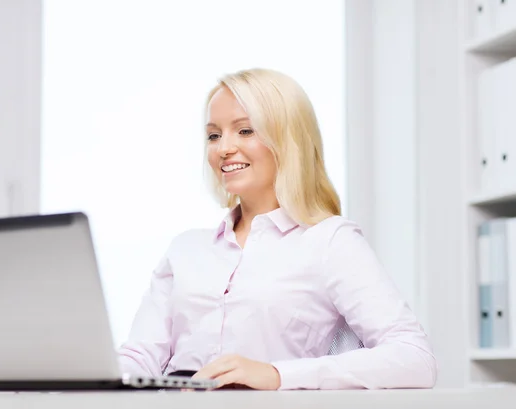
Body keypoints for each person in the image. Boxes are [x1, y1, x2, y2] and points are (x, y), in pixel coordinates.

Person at [117, 68, 437, 390]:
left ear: (287, 139)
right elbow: (141, 356)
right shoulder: (185, 249)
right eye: (214, 135)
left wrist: (277, 375)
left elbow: (414, 359)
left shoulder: (329, 242)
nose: (223, 148)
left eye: (244, 131)